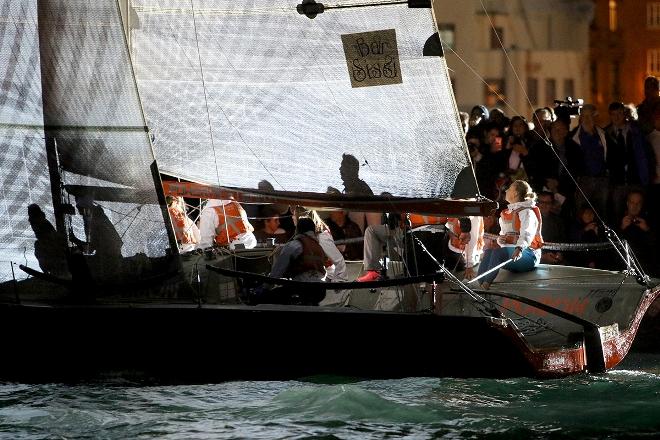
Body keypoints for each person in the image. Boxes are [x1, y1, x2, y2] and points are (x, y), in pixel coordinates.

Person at [476, 180, 544, 290]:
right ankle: (479, 283)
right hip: (513, 253)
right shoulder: (508, 213)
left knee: (498, 252)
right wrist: (500, 240)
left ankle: (486, 286)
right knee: (489, 251)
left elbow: (527, 232)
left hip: (528, 255)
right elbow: (503, 236)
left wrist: (519, 248)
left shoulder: (527, 212)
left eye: (510, 189)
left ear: (516, 193)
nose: (506, 190)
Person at [252, 217, 327, 305]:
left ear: (298, 229)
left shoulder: (294, 245)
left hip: (303, 289)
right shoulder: (319, 247)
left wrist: (265, 288)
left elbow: (277, 271)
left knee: (268, 297)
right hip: (321, 290)